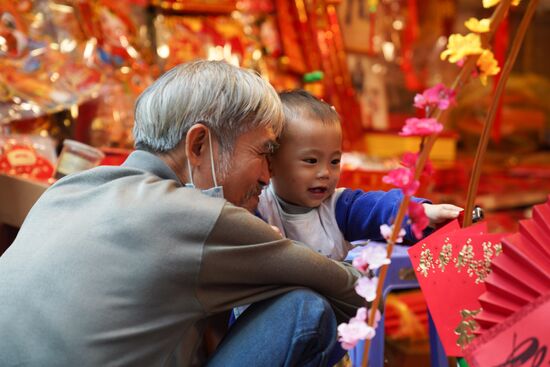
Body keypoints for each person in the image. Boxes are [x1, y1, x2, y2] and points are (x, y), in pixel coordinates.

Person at [0, 61, 364, 367]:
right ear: (199, 145)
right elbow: (350, 289)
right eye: (262, 153)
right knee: (304, 309)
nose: (267, 177)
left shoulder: (68, 189)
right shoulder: (194, 215)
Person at [257, 89, 462, 261]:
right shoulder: (259, 207)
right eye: (311, 161)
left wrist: (421, 212)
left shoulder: (338, 207)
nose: (325, 173)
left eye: (335, 161)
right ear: (271, 162)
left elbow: (378, 207)